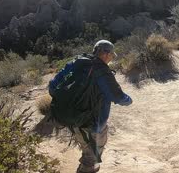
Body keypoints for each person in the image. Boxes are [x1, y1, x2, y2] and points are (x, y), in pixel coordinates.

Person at [49, 40, 132, 173]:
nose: (112, 58)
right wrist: (129, 100)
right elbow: (118, 97)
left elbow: (52, 86)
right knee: (92, 156)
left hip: (74, 119)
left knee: (87, 149)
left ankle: (89, 164)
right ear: (105, 53)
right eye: (112, 55)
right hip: (94, 123)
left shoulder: (76, 62)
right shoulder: (102, 71)